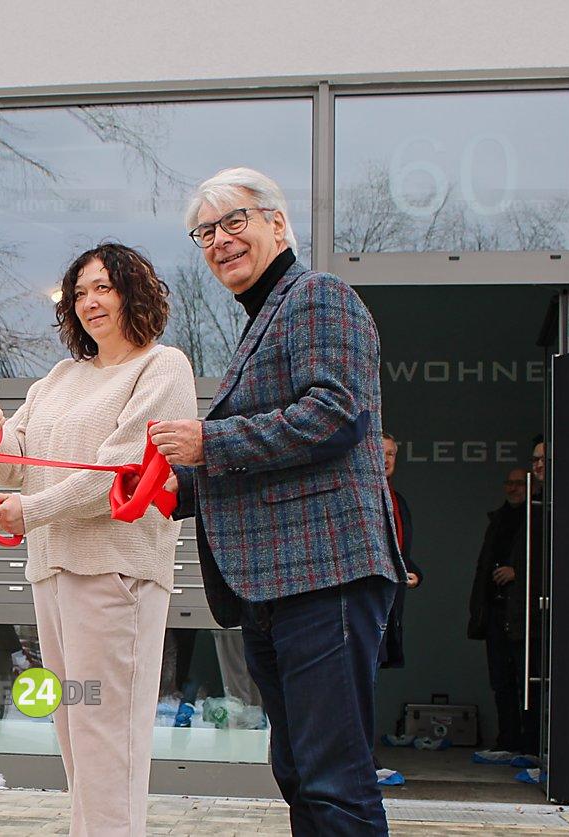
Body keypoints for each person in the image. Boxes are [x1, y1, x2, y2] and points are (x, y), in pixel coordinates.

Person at [151, 167, 405, 835]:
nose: (220, 240)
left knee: (333, 781)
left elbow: (334, 414)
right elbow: (264, 458)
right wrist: (173, 489)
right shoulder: (261, 320)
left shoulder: (318, 295)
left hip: (324, 574)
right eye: (205, 231)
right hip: (273, 586)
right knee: (299, 773)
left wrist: (207, 441)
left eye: (234, 221)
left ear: (278, 223)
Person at [0, 242, 197, 836]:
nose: (90, 302)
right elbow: (17, 465)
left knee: (108, 735)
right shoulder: (61, 377)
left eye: (104, 287)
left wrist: (32, 512)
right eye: (79, 293)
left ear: (134, 292)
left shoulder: (162, 367)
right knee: (76, 733)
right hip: (52, 570)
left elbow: (120, 474)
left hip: (115, 572)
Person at [468, 451, 543, 758]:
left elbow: (547, 565)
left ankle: (532, 743)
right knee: (500, 679)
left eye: (519, 483)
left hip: (525, 612)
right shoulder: (498, 520)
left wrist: (517, 573)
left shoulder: (540, 516)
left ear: (532, 486)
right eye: (509, 483)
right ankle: (508, 740)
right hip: (496, 610)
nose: (513, 488)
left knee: (528, 680)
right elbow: (483, 566)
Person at [375, 433, 422, 787]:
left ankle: (365, 760)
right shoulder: (365, 497)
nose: (387, 459)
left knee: (369, 683)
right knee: (359, 686)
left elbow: (401, 552)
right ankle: (363, 761)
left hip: (390, 607)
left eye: (392, 454)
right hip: (367, 606)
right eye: (382, 453)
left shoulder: (397, 500)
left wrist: (414, 572)